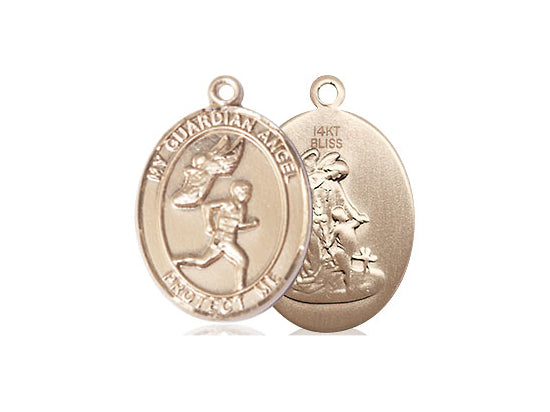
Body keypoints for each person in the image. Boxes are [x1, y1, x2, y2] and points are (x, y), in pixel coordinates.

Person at [175, 180, 259, 290]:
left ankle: (178, 261)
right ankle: (240, 288)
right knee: (242, 260)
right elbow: (207, 206)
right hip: (222, 238)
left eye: (249, 192)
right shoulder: (228, 203)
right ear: (236, 192)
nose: (248, 195)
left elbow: (239, 225)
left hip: (228, 239)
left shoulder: (242, 207)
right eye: (245, 192)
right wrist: (209, 224)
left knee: (203, 260)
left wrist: (251, 224)